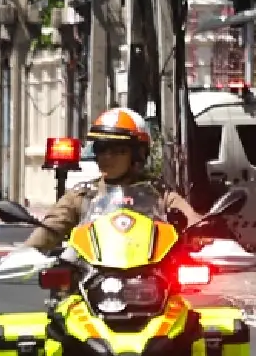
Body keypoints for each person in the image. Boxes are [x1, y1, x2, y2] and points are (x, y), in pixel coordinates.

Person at [22, 107, 198, 253]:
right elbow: (50, 229)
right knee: (64, 293)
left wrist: (203, 232)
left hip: (147, 278)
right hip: (91, 279)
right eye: (101, 149)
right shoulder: (82, 194)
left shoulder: (159, 192)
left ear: (137, 154)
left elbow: (194, 222)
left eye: (117, 150)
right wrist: (26, 253)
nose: (107, 157)